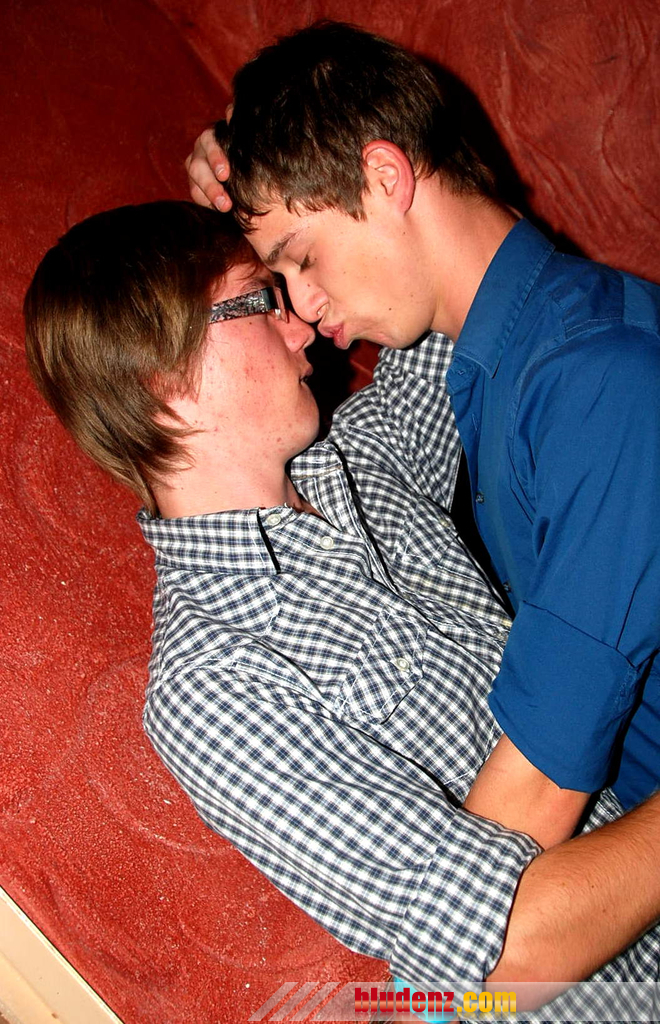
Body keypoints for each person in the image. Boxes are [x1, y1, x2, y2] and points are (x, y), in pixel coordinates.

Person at [23, 201, 660, 1005]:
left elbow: (456, 262)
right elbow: (503, 959)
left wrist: (258, 166)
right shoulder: (212, 687)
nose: (302, 329)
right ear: (164, 379)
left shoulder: (358, 457)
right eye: (260, 301)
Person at [186, 18, 660, 874]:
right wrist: (241, 154)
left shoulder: (593, 380)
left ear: (385, 176)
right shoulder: (503, 360)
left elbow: (525, 819)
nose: (302, 312)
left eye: (302, 259)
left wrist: (445, 959)